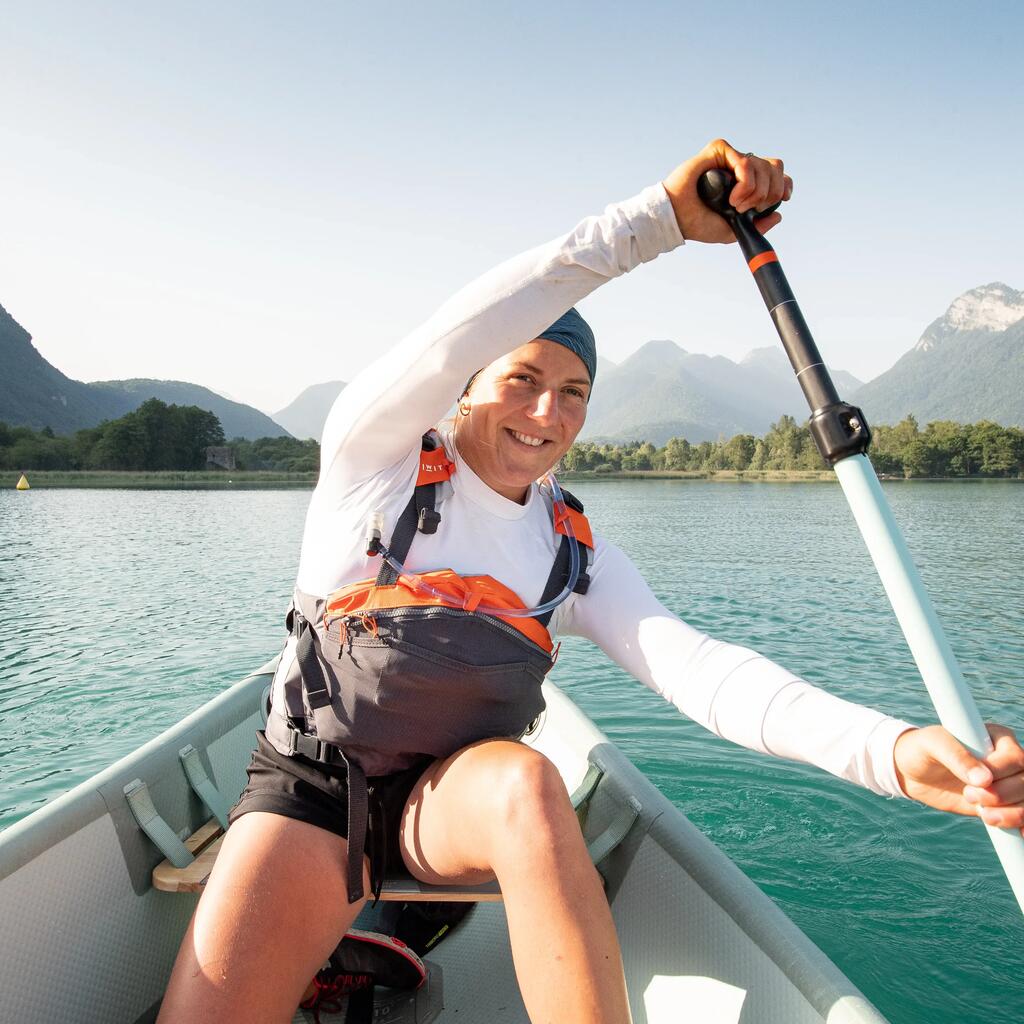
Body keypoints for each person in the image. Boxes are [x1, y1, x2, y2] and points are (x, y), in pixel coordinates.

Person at [158, 139, 1024, 1024]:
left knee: (531, 784)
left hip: (448, 808)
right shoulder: (371, 464)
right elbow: (459, 327)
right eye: (523, 379)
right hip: (312, 794)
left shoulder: (571, 550)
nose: (547, 413)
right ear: (464, 388)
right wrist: (654, 224)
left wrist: (892, 753)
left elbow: (704, 673)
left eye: (573, 393)